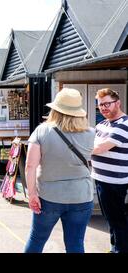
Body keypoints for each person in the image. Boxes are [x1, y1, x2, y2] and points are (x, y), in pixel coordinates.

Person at [24, 88, 95, 253]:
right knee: (75, 243)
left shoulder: (42, 131)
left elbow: (30, 166)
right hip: (81, 196)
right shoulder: (91, 133)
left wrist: (32, 194)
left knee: (37, 239)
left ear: (55, 109)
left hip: (49, 196)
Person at [92, 88, 128, 253]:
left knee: (117, 218)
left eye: (107, 103)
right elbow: (91, 143)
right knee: (110, 217)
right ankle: (116, 247)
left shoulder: (124, 124)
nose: (104, 108)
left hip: (114, 180)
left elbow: (99, 147)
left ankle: (120, 249)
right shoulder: (101, 124)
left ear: (118, 103)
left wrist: (80, 147)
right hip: (100, 178)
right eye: (100, 105)